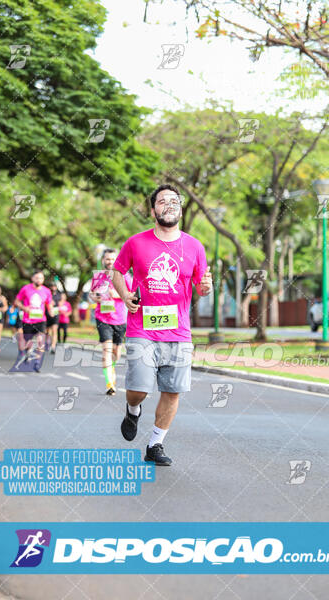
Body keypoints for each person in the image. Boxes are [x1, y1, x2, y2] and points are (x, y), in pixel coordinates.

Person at [112, 184, 212, 466]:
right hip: (142, 328)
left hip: (178, 332)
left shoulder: (194, 246)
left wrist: (205, 286)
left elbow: (201, 287)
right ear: (152, 209)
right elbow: (117, 273)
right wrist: (125, 295)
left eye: (174, 201)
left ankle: (155, 444)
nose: (169, 205)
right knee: (140, 388)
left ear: (180, 209)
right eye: (162, 201)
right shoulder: (135, 243)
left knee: (172, 391)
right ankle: (133, 408)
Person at [94, 248, 132, 396]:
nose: (110, 262)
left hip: (121, 319)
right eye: (107, 259)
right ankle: (110, 383)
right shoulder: (99, 276)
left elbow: (132, 294)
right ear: (103, 260)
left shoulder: (125, 276)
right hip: (103, 318)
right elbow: (93, 294)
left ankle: (111, 368)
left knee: (116, 352)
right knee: (106, 351)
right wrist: (94, 298)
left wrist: (116, 294)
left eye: (112, 259)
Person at [14, 271, 53, 373]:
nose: (38, 280)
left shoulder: (47, 291)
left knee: (41, 341)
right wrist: (24, 308)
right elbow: (17, 301)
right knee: (28, 342)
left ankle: (37, 363)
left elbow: (49, 304)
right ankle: (28, 353)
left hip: (41, 320)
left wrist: (51, 311)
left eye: (41, 278)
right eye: (37, 278)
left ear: (43, 279)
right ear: (32, 278)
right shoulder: (26, 289)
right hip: (28, 320)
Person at [46, 282, 62, 354]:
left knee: (54, 330)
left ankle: (53, 346)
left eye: (54, 286)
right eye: (52, 286)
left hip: (55, 314)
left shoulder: (59, 295)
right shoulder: (47, 294)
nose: (53, 288)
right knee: (47, 331)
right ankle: (47, 343)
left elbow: (61, 303)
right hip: (47, 314)